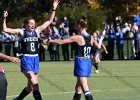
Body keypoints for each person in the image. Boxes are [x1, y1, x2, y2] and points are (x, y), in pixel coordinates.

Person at [2, 0, 59, 100]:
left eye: (34, 23)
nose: (33, 25)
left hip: (35, 59)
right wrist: (4, 18)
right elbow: (5, 29)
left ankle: (18, 98)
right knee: (35, 84)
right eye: (31, 23)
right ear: (26, 25)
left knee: (30, 87)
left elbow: (49, 21)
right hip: (26, 59)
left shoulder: (37, 31)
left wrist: (54, 8)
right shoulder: (22, 32)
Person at [45, 18, 103, 100]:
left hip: (81, 62)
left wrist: (49, 40)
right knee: (78, 88)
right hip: (87, 62)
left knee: (85, 89)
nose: (76, 26)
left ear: (79, 25)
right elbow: (98, 46)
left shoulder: (78, 37)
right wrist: (101, 39)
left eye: (76, 25)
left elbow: (61, 42)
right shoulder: (91, 37)